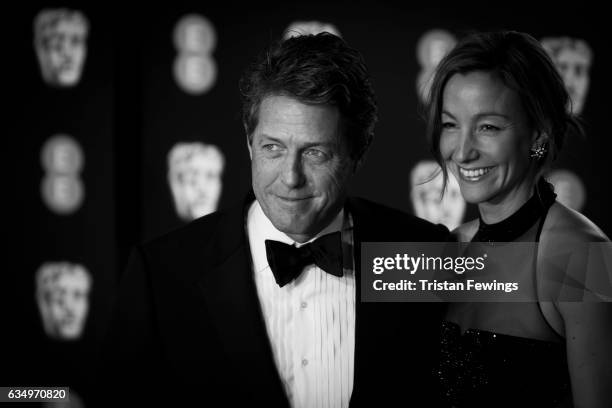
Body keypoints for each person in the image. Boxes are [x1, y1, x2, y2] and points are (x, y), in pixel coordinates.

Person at [102, 33, 449, 407]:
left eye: (315, 152)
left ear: (357, 153)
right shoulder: (161, 274)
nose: (290, 177)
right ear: (249, 143)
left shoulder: (424, 253)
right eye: (273, 148)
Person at [425, 30, 612, 407]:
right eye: (450, 124)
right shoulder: (450, 247)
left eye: (488, 127)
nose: (462, 151)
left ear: (537, 136)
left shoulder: (583, 253)